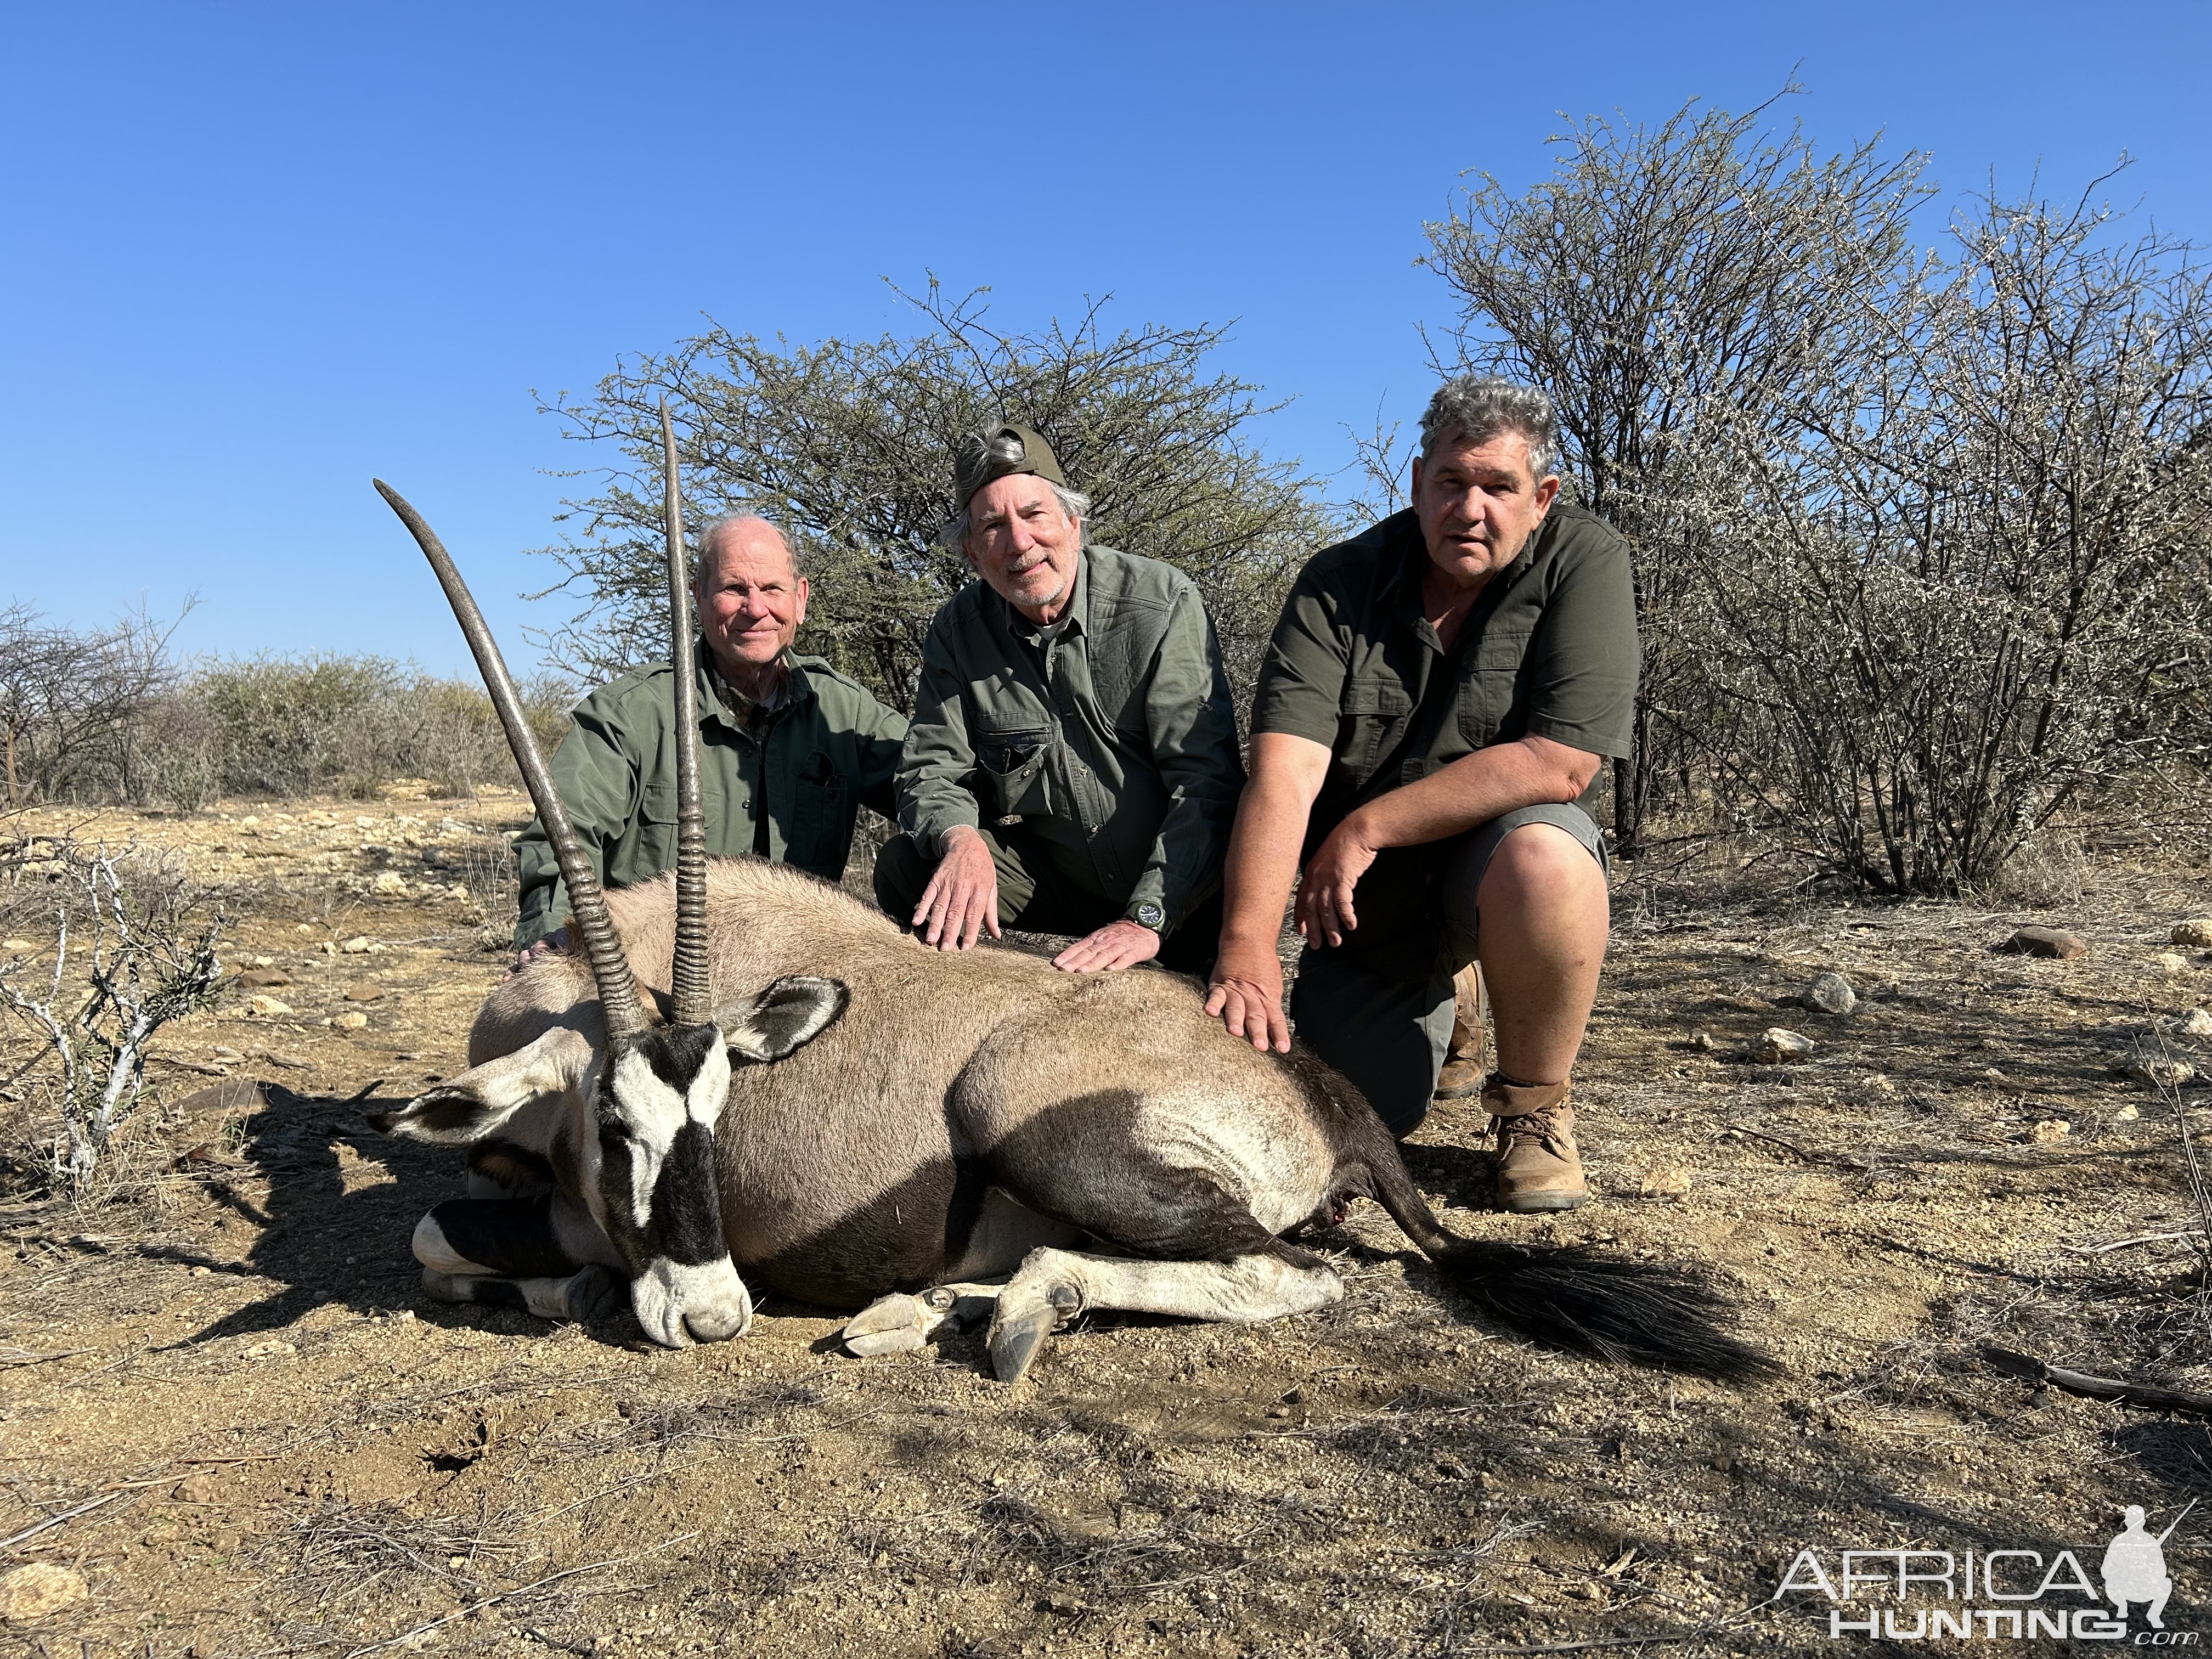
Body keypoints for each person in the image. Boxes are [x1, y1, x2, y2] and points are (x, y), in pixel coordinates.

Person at [1204, 376, 1637, 1213]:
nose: (1470, 509)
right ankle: (1457, 992)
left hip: (1485, 866)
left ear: (1541, 497)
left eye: (1499, 488)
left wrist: (1367, 826)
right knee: (1357, 1118)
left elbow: (1562, 764)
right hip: (1376, 906)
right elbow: (1285, 768)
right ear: (1416, 483)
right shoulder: (1339, 580)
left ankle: (1533, 1108)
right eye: (1451, 484)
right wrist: (1248, 944)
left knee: (1547, 854)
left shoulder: (1587, 559)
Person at [873, 422, 1244, 975]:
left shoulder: (1162, 602)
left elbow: (1205, 784)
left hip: (1176, 890)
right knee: (908, 867)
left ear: (1074, 523)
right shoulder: (957, 630)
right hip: (1066, 881)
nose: (1019, 543)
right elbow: (930, 770)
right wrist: (961, 838)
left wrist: (1146, 917)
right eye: (993, 526)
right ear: (973, 554)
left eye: (1034, 515)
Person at [512, 515, 907, 961]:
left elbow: (933, 781)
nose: (756, 609)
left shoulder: (845, 709)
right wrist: (556, 933)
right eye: (734, 589)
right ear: (698, 595)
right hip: (662, 975)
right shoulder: (629, 713)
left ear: (800, 599)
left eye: (772, 589)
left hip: (795, 976)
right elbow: (561, 836)